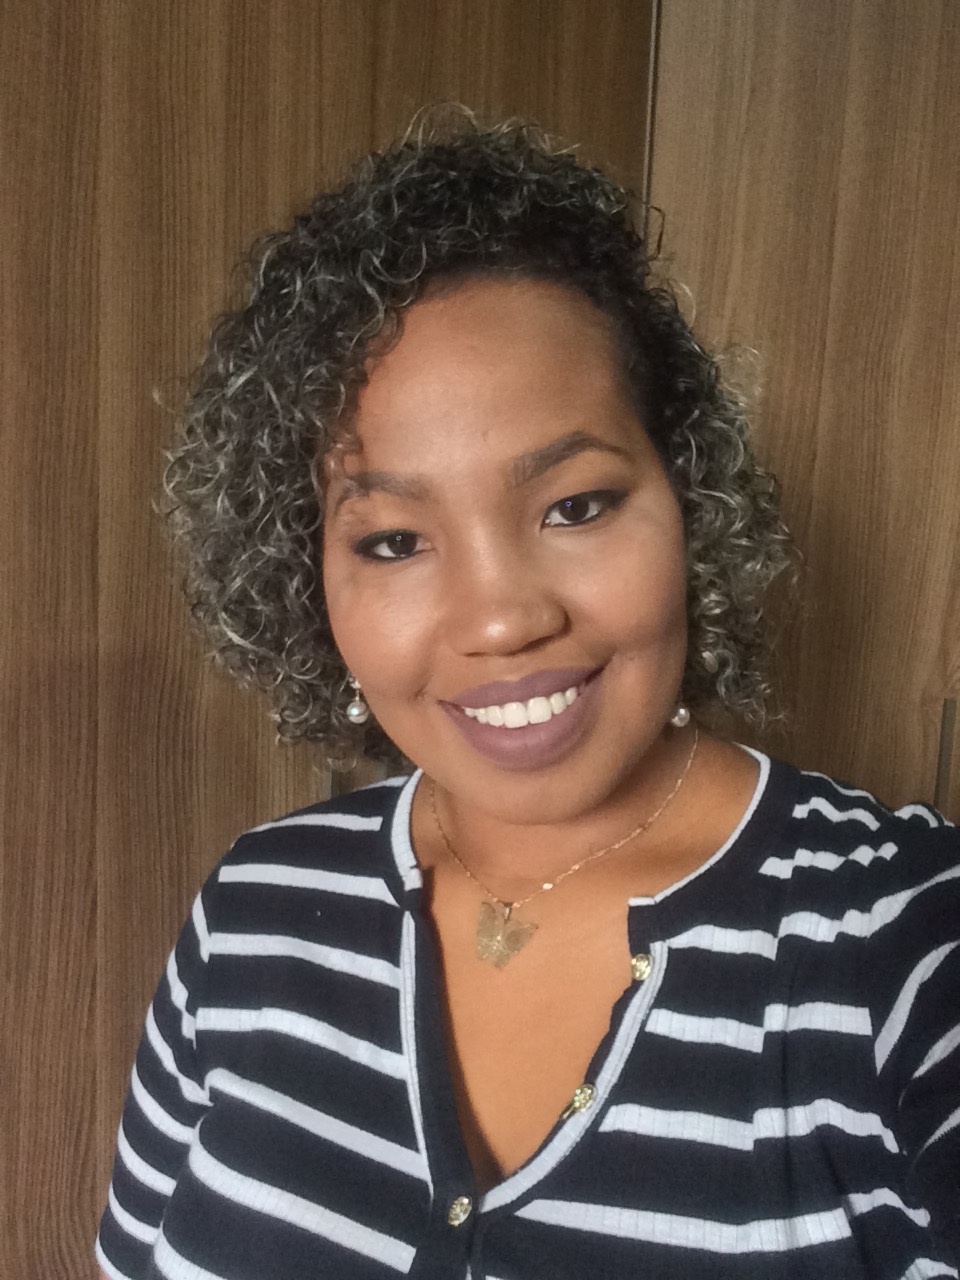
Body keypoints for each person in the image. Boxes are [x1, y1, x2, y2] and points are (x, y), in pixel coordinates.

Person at [96, 116, 960, 1280]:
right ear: (305, 576)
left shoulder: (901, 946)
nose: (502, 618)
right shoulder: (255, 911)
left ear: (688, 499)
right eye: (394, 539)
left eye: (576, 505)